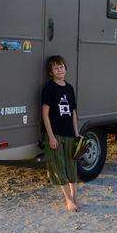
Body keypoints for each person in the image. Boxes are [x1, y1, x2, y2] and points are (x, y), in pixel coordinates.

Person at [41, 55, 81, 212]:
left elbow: (73, 113)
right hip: (55, 134)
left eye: (61, 67)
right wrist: (50, 136)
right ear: (51, 72)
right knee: (59, 167)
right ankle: (69, 200)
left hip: (70, 134)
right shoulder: (49, 88)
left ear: (66, 69)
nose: (59, 69)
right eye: (55, 68)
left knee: (71, 166)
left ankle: (76, 198)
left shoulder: (69, 88)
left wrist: (77, 134)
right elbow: (45, 114)